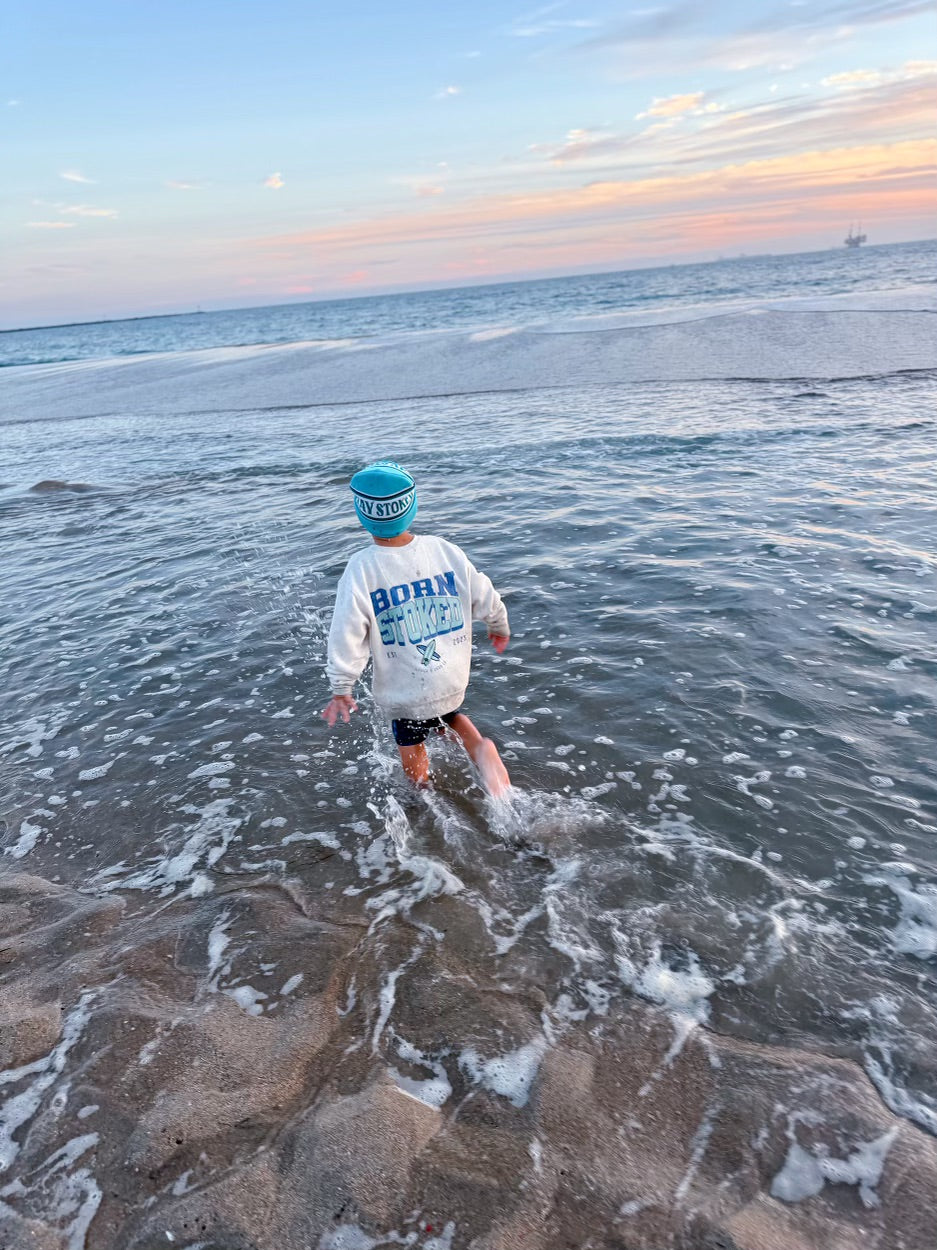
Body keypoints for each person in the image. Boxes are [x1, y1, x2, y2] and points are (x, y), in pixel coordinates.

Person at [321, 460, 512, 797]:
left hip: (408, 688)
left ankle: (421, 796)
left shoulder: (361, 568)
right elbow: (485, 594)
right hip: (450, 677)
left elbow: (347, 631)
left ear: (362, 516)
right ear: (412, 507)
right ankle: (481, 748)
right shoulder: (444, 550)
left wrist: (341, 685)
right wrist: (498, 625)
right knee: (452, 716)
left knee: (412, 743)